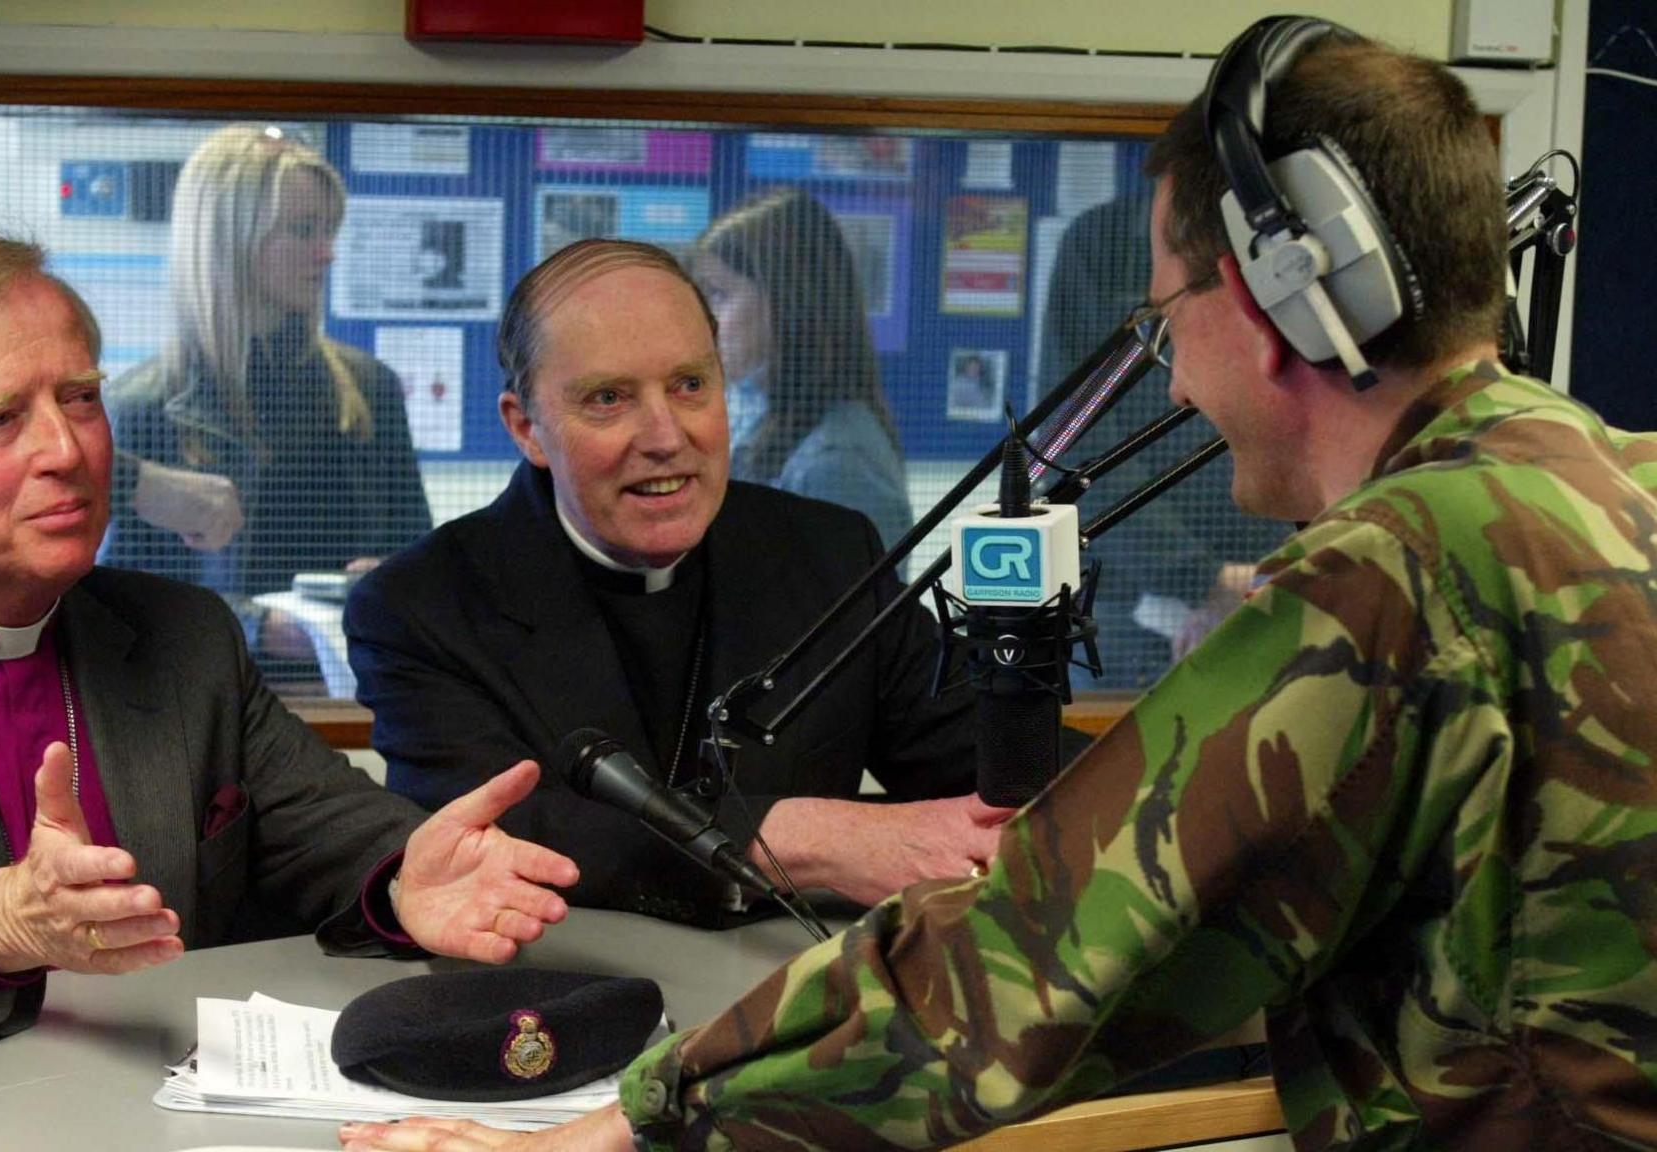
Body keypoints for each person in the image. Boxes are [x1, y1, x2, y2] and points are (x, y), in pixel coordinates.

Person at [339, 21, 1657, 1152]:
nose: (1176, 379)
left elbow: (1018, 969)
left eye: (1163, 319)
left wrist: (630, 1124)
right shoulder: (1622, 483)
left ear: (1282, 299)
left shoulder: (1397, 568)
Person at [0, 235, 578, 1043]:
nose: (68, 449)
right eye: (4, 418)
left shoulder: (182, 638)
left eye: (80, 399)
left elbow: (336, 837)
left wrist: (411, 877)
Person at [347, 238, 1084, 929]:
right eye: (609, 398)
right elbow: (501, 835)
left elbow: (991, 761)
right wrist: (803, 835)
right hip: (562, 1001)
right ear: (527, 428)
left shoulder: (827, 554)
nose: (666, 435)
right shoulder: (420, 608)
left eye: (690, 384)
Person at [105, 125, 431, 673]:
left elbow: (421, 558)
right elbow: (112, 601)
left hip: (353, 693)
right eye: (303, 231)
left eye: (330, 230)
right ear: (232, 242)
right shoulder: (142, 405)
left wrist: (392, 583)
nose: (326, 254)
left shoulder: (366, 388)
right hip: (208, 699)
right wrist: (254, 627)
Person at [1038, 189, 1286, 686]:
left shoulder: (1282, 237)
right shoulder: (1102, 244)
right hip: (1128, 607)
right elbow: (1071, 443)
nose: (1179, 388)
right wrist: (1198, 579)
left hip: (1272, 583)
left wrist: (1268, 576)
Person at [690, 187, 913, 552]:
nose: (704, 320)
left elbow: (857, 605)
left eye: (719, 295)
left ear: (784, 301)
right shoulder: (756, 413)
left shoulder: (838, 460)